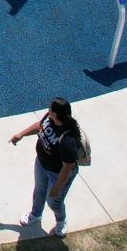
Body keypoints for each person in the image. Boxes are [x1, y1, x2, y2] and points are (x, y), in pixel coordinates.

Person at [11, 98, 84, 236]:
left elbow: (68, 167)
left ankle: (61, 221)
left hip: (58, 173)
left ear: (56, 114)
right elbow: (40, 125)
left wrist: (57, 187)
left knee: (54, 202)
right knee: (39, 190)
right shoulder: (49, 119)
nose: (48, 109)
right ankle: (36, 214)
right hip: (42, 163)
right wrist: (21, 135)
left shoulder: (68, 141)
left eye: (50, 108)